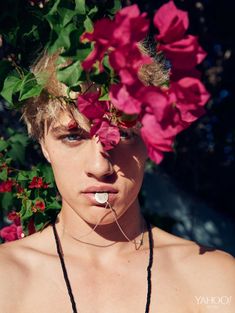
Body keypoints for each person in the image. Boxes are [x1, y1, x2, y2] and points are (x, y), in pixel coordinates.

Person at [0, 46, 234, 313]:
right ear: (44, 144)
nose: (101, 167)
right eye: (73, 137)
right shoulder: (6, 280)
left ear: (150, 137)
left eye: (123, 134)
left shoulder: (214, 281)